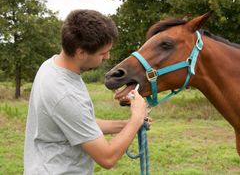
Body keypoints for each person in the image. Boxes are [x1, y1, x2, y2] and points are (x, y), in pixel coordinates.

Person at [23, 9, 148, 174]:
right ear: (81, 52)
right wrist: (137, 117)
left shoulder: (52, 66)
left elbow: (80, 123)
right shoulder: (65, 94)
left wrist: (126, 125)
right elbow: (107, 157)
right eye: (103, 53)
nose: (108, 57)